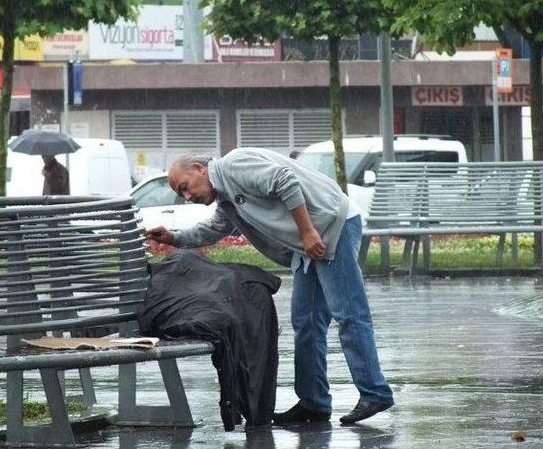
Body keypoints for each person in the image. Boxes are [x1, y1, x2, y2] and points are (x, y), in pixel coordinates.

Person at [146, 148, 394, 425]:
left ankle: (375, 391)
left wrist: (307, 231)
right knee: (306, 322)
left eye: (186, 187)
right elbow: (214, 229)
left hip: (330, 225)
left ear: (199, 169)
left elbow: (284, 180)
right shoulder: (227, 198)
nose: (188, 196)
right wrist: (173, 237)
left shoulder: (234, 165)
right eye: (182, 195)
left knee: (349, 314)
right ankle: (314, 403)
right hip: (309, 240)